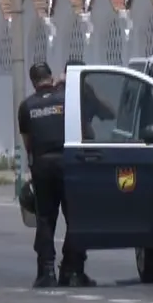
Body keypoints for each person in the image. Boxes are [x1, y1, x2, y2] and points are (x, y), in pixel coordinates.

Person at [18, 61, 91, 288]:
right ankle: (73, 271)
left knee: (45, 220)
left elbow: (28, 144)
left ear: (33, 82)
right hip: (69, 164)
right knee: (76, 219)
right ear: (50, 77)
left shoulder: (26, 106)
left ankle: (47, 272)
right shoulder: (66, 100)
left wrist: (33, 170)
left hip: (42, 167)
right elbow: (84, 131)